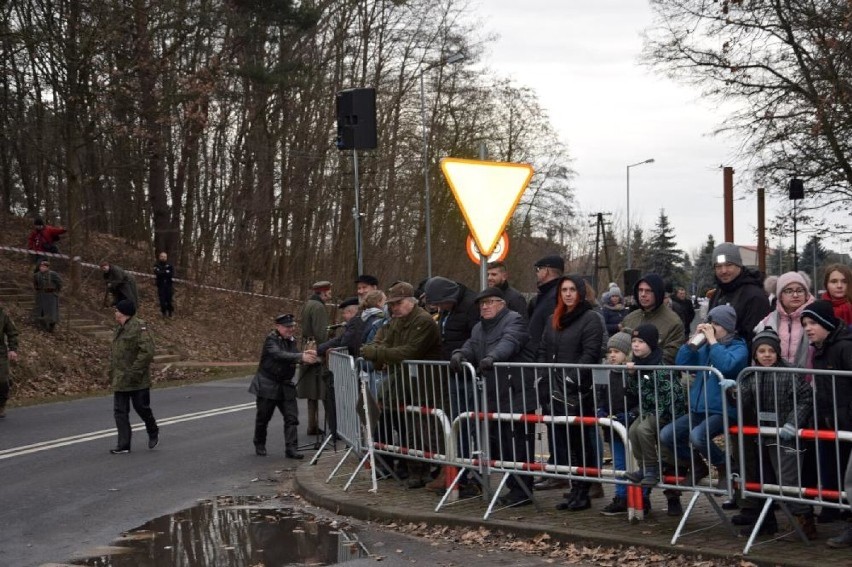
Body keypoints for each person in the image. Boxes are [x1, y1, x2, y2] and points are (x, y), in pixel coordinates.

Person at [660, 305, 748, 514]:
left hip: (724, 410)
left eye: (716, 324)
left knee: (698, 436)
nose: (712, 328)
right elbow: (682, 362)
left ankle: (725, 466)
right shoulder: (706, 346)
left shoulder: (738, 347)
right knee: (667, 435)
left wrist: (713, 342)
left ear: (727, 327)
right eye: (710, 323)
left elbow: (727, 366)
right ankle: (696, 464)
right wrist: (692, 342)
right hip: (699, 408)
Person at [451, 287, 534, 506]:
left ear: (502, 303)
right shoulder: (479, 328)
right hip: (493, 394)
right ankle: (512, 487)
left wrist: (492, 357)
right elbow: (471, 345)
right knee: (501, 445)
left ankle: (523, 490)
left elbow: (510, 342)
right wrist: (459, 354)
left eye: (490, 302)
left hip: (516, 393)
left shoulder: (514, 321)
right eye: (482, 304)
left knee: (517, 444)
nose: (485, 307)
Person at [360, 281, 441, 488]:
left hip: (424, 383)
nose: (394, 308)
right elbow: (385, 343)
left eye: (398, 303)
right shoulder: (397, 321)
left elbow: (409, 351)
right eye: (392, 304)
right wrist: (378, 355)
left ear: (411, 301)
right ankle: (411, 470)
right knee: (408, 427)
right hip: (403, 381)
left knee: (425, 429)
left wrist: (377, 354)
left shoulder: (423, 321)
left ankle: (427, 471)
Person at [737, 327, 816, 539]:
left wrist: (793, 423)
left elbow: (805, 398)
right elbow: (742, 399)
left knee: (788, 481)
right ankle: (768, 521)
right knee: (767, 480)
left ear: (778, 352)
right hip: (763, 437)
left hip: (785, 437)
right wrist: (731, 390)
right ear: (755, 354)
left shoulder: (789, 373)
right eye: (761, 351)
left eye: (771, 351)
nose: (766, 355)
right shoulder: (750, 375)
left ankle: (804, 521)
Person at [539, 275, 605, 511]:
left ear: (580, 292)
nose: (567, 294)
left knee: (580, 442)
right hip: (553, 389)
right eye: (564, 290)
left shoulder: (590, 319)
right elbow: (544, 349)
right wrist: (543, 379)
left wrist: (572, 379)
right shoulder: (553, 319)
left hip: (578, 392)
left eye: (572, 290)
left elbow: (590, 353)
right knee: (564, 441)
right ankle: (575, 487)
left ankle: (584, 490)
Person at [800, 300, 852, 549]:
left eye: (813, 323)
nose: (809, 328)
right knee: (838, 474)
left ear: (827, 324)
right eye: (805, 324)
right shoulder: (819, 350)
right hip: (833, 423)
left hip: (847, 422)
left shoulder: (844, 347)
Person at [624, 325, 687, 500]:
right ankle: (644, 467)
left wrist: (659, 412)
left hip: (666, 410)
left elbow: (671, 393)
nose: (636, 345)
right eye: (634, 341)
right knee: (633, 431)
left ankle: (653, 468)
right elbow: (635, 391)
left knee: (644, 429)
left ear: (651, 344)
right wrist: (631, 375)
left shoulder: (660, 365)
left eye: (641, 342)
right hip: (648, 409)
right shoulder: (638, 364)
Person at [249, 314, 318, 458]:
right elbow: (278, 354)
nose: (291, 329)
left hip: (286, 385)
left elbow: (291, 356)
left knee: (292, 418)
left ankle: (291, 449)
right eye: (287, 327)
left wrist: (305, 357)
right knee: (263, 418)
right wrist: (300, 357)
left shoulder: (291, 341)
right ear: (278, 327)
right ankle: (259, 443)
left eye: (292, 326)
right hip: (268, 383)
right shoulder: (271, 340)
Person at [597, 331, 639, 516]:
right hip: (613, 425)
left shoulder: (632, 373)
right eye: (610, 351)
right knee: (619, 464)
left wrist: (633, 413)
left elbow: (640, 397)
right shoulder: (606, 372)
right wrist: (600, 410)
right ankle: (621, 496)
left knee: (637, 463)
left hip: (631, 425)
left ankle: (641, 496)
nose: (612, 355)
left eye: (617, 352)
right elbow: (600, 394)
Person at [108, 299, 158, 454]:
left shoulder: (140, 327)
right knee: (120, 411)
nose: (115, 312)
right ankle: (123, 445)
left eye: (116, 310)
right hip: (120, 377)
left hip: (137, 378)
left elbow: (147, 351)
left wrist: (135, 371)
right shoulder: (119, 328)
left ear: (123, 313)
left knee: (141, 408)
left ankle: (152, 429)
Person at [707, 243, 771, 345]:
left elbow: (757, 339)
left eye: (729, 265)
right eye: (718, 266)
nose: (723, 271)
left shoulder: (755, 296)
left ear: (739, 265)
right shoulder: (717, 293)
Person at [753, 271, 814, 368]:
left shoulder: (816, 319)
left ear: (806, 294)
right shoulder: (767, 322)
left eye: (800, 290)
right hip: (774, 380)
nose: (795, 295)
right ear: (780, 295)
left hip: (809, 380)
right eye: (789, 291)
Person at [620, 273, 685, 363]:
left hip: (658, 374)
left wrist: (641, 363)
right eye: (640, 290)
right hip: (629, 374)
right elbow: (621, 347)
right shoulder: (629, 319)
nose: (643, 294)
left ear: (658, 293)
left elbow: (671, 354)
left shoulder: (673, 322)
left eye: (648, 291)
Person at [298, 280, 332, 437]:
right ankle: (332, 424)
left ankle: (313, 424)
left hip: (307, 347)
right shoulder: (318, 307)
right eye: (329, 292)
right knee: (323, 389)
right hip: (316, 350)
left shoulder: (308, 304)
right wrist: (326, 349)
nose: (330, 295)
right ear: (323, 292)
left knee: (312, 391)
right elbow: (321, 333)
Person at [0, 305, 19, 418]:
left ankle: (1, 405)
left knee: (2, 380)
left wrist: (13, 349)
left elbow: (12, 332)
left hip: (1, 353)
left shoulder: (3, 315)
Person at [32, 260, 62, 332]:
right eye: (41, 266)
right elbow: (35, 284)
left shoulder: (53, 274)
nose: (42, 268)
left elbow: (59, 283)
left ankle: (51, 326)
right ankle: (43, 326)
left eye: (44, 267)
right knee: (41, 311)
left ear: (47, 267)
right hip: (41, 295)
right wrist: (38, 290)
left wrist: (55, 290)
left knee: (51, 312)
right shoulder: (37, 275)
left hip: (50, 295)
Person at [153, 252, 175, 318]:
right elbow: (158, 273)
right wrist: (165, 271)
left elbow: (171, 274)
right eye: (162, 256)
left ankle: (170, 313)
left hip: (168, 285)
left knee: (169, 300)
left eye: (164, 257)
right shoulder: (156, 265)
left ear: (166, 258)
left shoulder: (170, 265)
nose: (163, 258)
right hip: (160, 285)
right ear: (159, 257)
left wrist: (162, 272)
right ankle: (163, 313)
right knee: (162, 300)